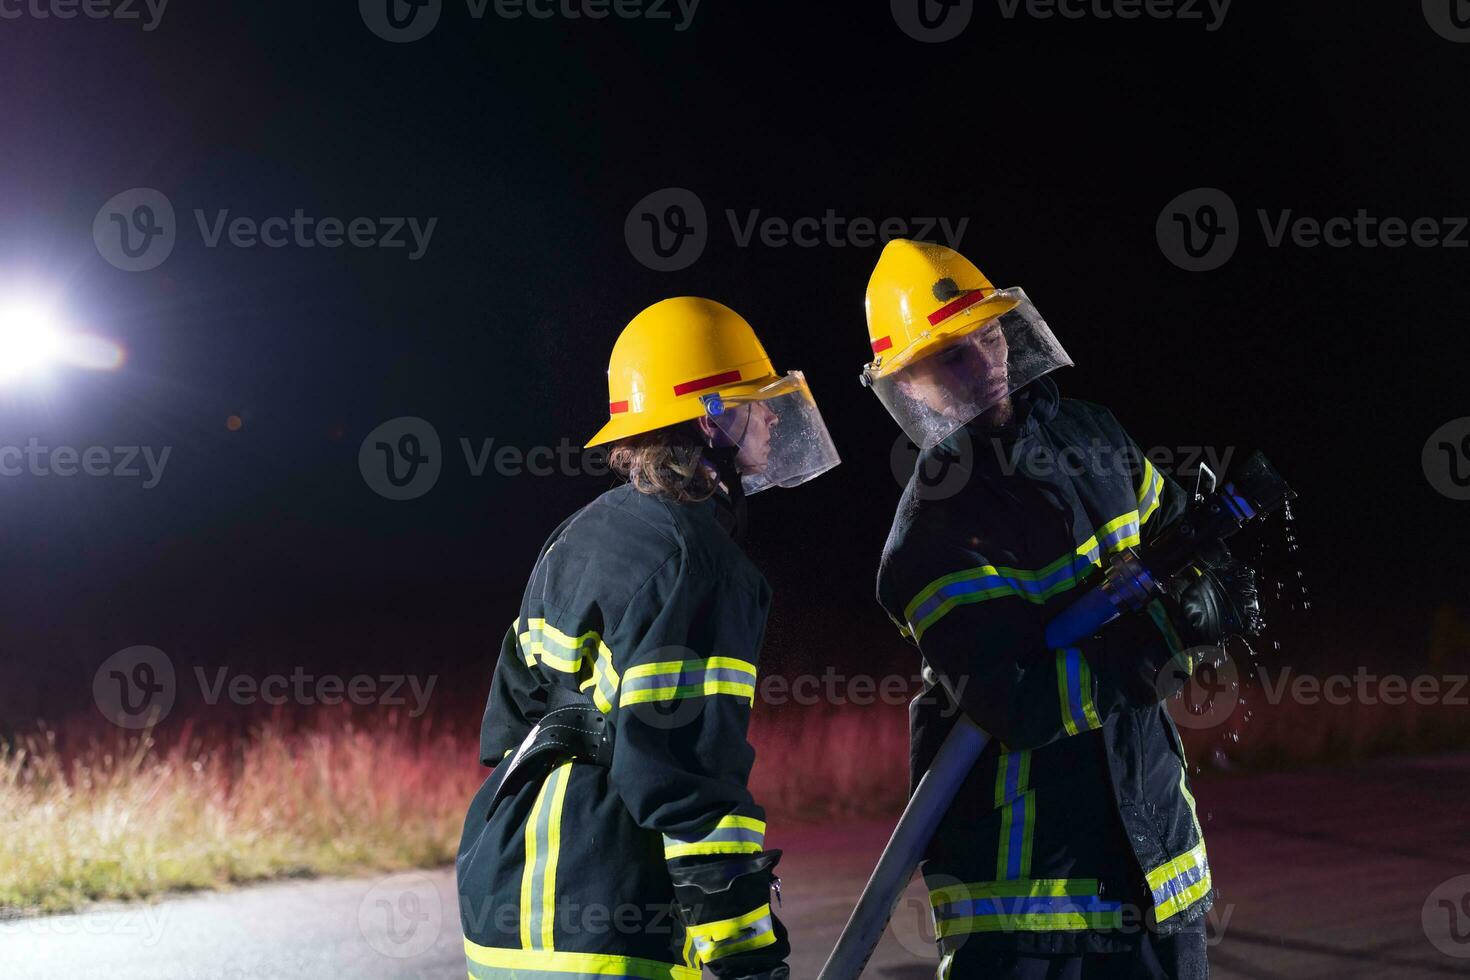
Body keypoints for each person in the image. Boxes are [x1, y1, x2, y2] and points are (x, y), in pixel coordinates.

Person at [861, 240, 1256, 979]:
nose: (983, 364)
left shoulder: (1094, 436)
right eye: (950, 358)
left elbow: (1175, 542)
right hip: (1027, 911)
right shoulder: (930, 534)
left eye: (985, 335)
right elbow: (1017, 701)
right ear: (910, 386)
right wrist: (1154, 647)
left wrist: (1211, 582)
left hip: (1157, 875)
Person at [457, 296, 840, 980]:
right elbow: (687, 784)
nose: (775, 416)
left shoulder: (579, 535)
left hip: (503, 902)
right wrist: (746, 956)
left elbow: (505, 730)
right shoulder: (704, 564)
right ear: (710, 415)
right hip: (608, 923)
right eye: (757, 399)